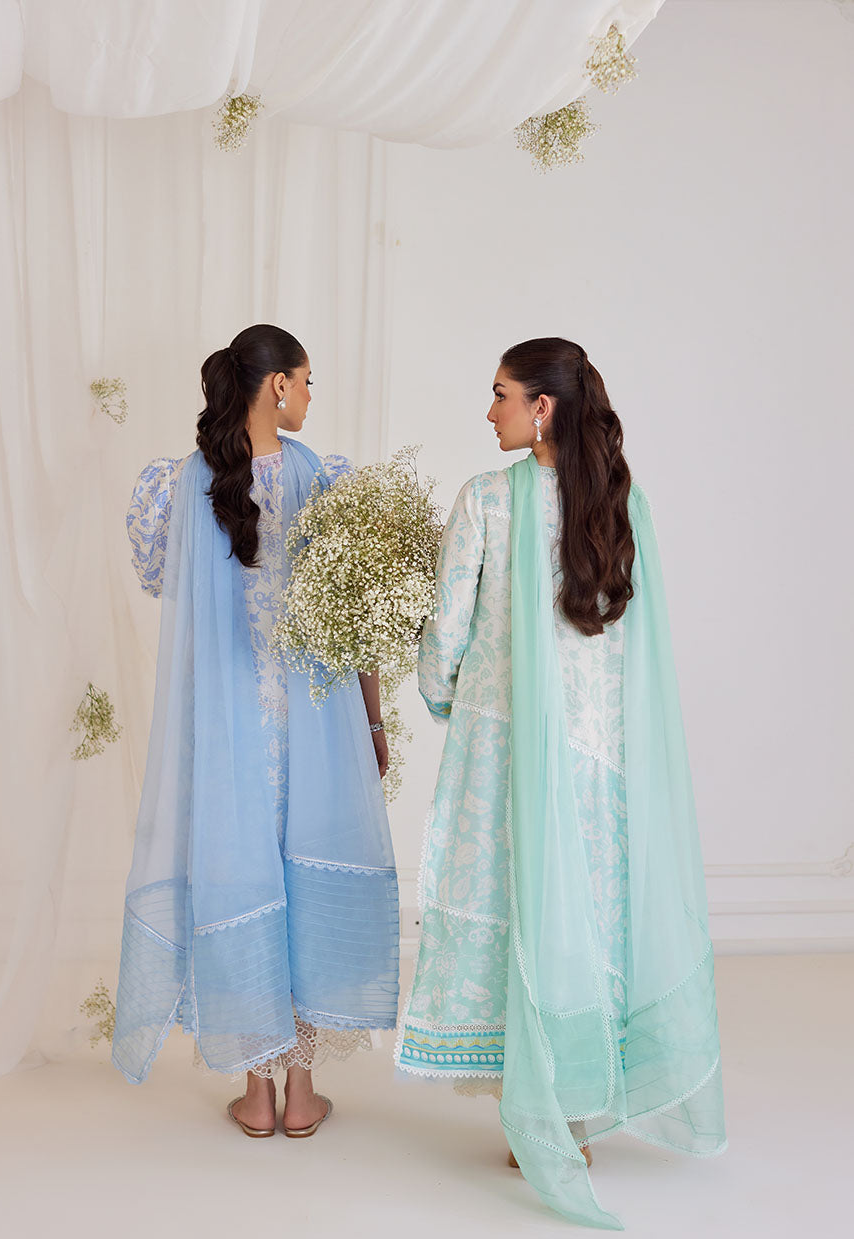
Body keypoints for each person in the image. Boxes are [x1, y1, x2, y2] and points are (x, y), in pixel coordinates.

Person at [396, 337, 725, 1228]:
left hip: (506, 750)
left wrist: (443, 696)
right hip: (600, 758)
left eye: (501, 394)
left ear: (542, 408)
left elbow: (446, 632)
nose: (489, 411)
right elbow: (633, 643)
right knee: (586, 916)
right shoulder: (621, 501)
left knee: (517, 908)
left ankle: (533, 1106)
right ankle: (573, 1111)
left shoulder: (486, 500)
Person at [113, 323, 399, 1139]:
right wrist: (372, 719)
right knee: (301, 875)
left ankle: (257, 1091)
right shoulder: (326, 483)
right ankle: (302, 1090)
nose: (309, 396)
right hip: (315, 732)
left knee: (242, 877)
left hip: (230, 736)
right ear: (277, 385)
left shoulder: (177, 485)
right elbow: (359, 622)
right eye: (306, 380)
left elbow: (160, 579)